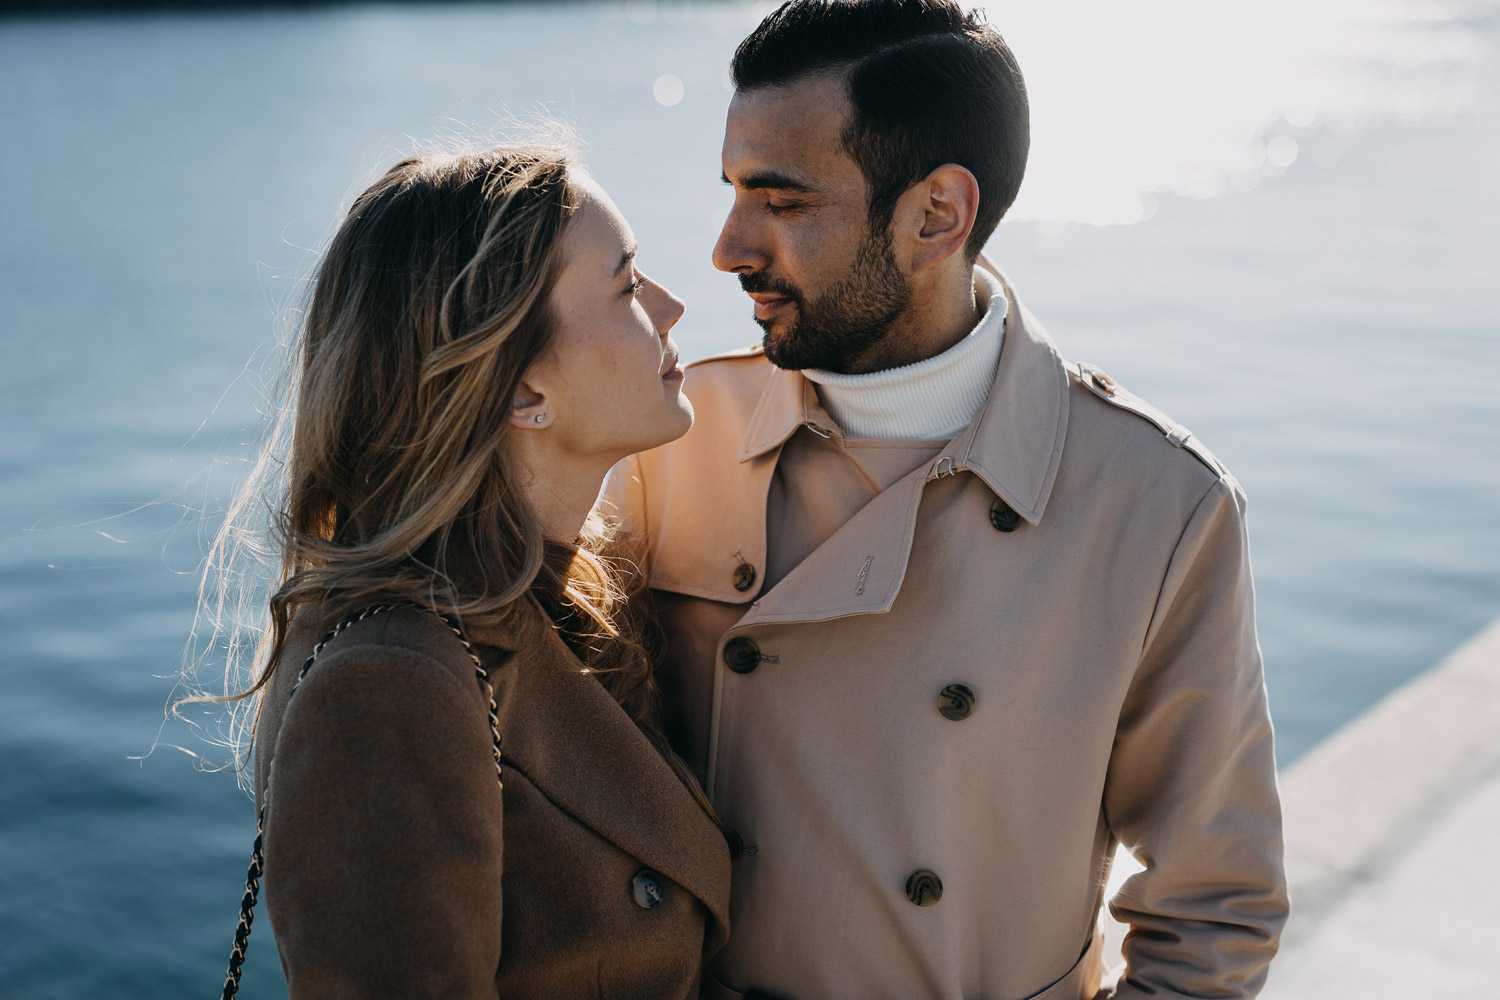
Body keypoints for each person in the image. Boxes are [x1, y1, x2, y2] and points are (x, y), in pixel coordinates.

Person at [603, 2, 1289, 998]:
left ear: (936, 215)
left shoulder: (1157, 505)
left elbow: (1214, 909)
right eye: (732, 193)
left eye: (781, 203)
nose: (727, 246)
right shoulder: (671, 437)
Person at [210, 144, 729, 998]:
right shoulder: (386, 688)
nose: (672, 307)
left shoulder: (565, 597)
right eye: (629, 286)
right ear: (524, 392)